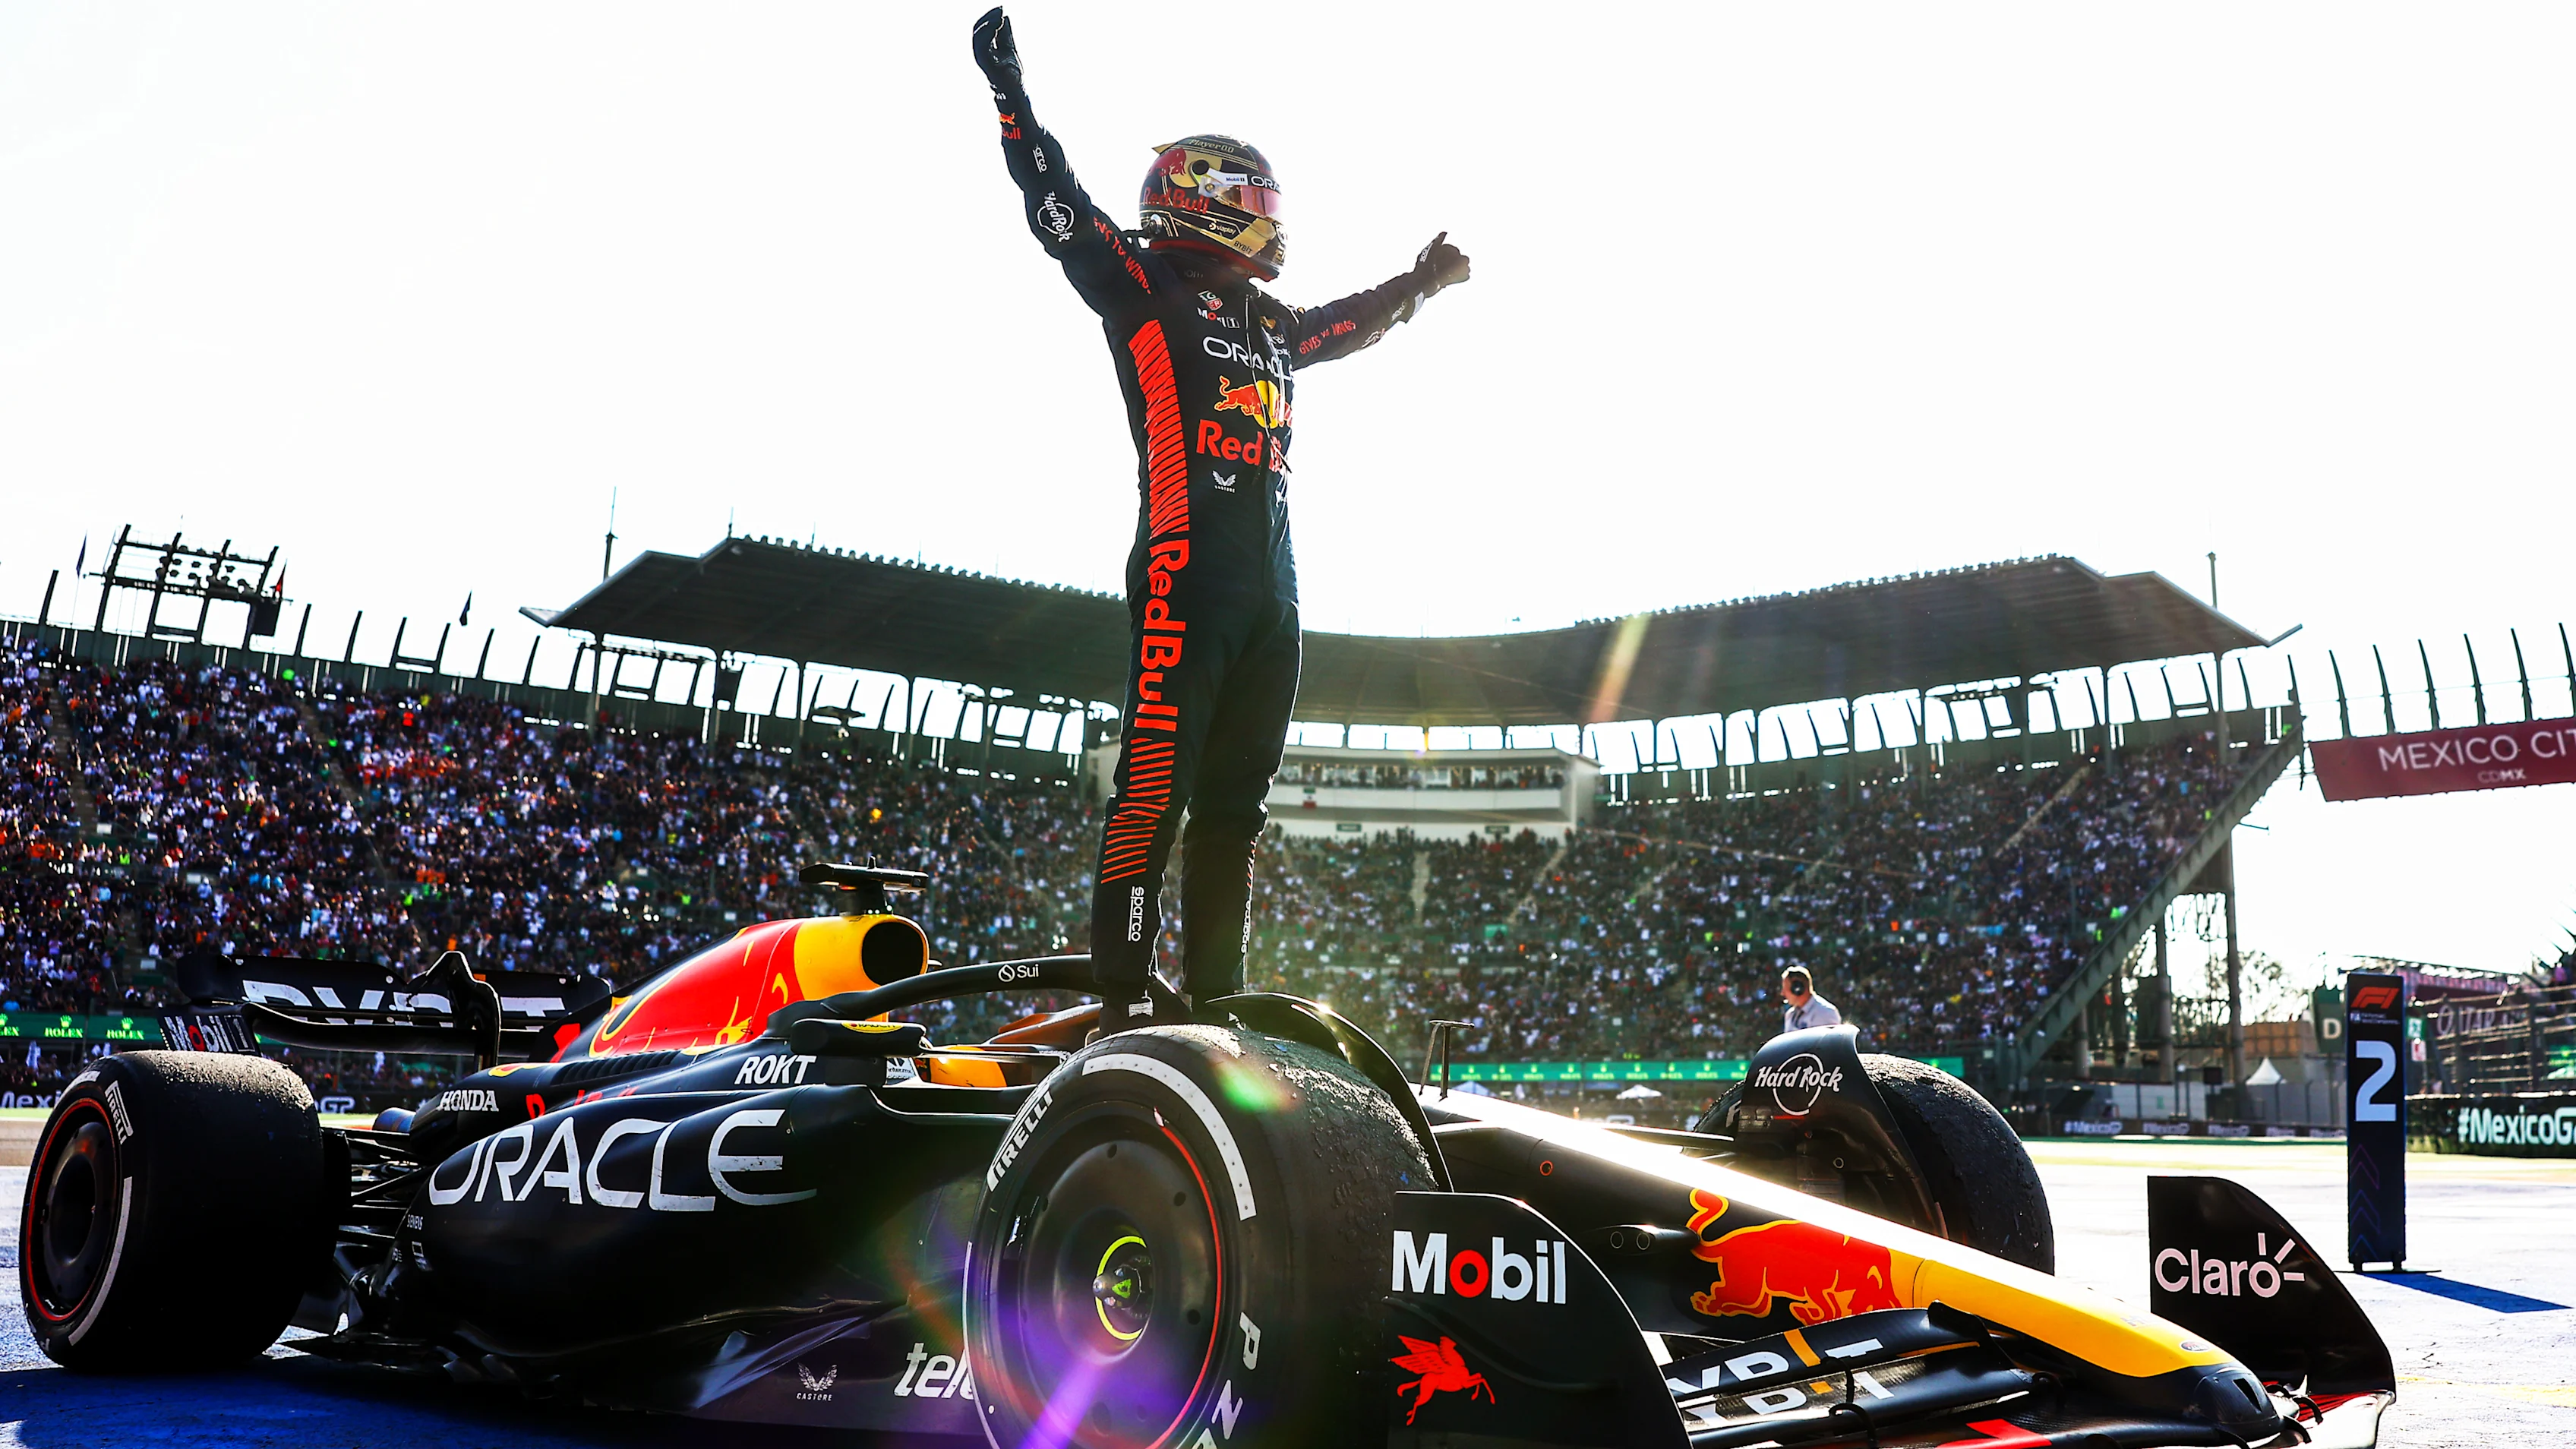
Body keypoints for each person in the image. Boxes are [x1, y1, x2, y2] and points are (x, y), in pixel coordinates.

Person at [971, 8, 1470, 1029]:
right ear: (1194, 202)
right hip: (1182, 573)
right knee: (1154, 787)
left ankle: (1218, 998)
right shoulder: (1143, 286)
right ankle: (1122, 993)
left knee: (1236, 811)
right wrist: (1011, 98)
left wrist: (1421, 283)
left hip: (1275, 598)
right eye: (1248, 197)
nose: (1265, 214)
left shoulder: (1276, 327)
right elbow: (1056, 204)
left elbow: (1350, 322)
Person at [1781, 968, 1843, 1034]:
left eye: (1785, 988)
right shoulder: (1790, 1015)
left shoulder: (1825, 1013)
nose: (1782, 993)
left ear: (1797, 988)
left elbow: (1832, 1043)